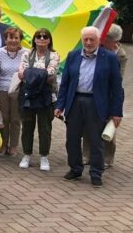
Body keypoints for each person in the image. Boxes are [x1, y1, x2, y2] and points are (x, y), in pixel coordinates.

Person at [55, 26, 124, 187]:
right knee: (72, 139)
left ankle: (96, 173)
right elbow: (64, 84)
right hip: (75, 102)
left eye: (92, 39)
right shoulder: (73, 56)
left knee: (95, 140)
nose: (88, 42)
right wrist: (60, 105)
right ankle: (75, 168)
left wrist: (116, 112)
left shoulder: (109, 58)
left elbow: (116, 88)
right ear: (81, 40)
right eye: (85, 39)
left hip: (96, 103)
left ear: (99, 40)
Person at [17, 27, 59, 172]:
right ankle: (27, 155)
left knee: (45, 128)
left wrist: (31, 75)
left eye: (45, 36)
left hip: (46, 96)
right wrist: (39, 75)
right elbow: (21, 74)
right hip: (28, 96)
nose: (42, 39)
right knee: (27, 126)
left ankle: (44, 156)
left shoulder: (54, 55)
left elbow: (51, 74)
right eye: (38, 36)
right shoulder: (26, 54)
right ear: (34, 39)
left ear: (49, 40)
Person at [0, 27, 28, 156]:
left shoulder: (27, 53)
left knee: (15, 119)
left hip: (18, 89)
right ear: (5, 39)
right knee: (4, 119)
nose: (13, 41)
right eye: (10, 38)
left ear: (20, 40)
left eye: (16, 38)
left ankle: (13, 145)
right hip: (2, 89)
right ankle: (2, 144)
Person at [98, 24, 126, 167]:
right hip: (96, 92)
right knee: (90, 125)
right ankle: (87, 155)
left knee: (110, 125)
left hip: (110, 94)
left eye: (106, 38)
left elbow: (118, 79)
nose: (102, 40)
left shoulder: (120, 54)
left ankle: (107, 159)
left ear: (112, 40)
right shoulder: (99, 48)